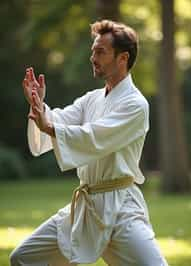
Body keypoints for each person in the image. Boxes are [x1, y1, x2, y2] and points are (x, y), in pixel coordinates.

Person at [10, 20, 168, 266]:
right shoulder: (91, 99)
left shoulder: (136, 105)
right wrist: (39, 106)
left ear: (122, 58)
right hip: (85, 208)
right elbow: (61, 120)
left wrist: (49, 126)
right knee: (23, 257)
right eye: (92, 51)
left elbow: (94, 136)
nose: (92, 57)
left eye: (100, 52)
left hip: (121, 210)